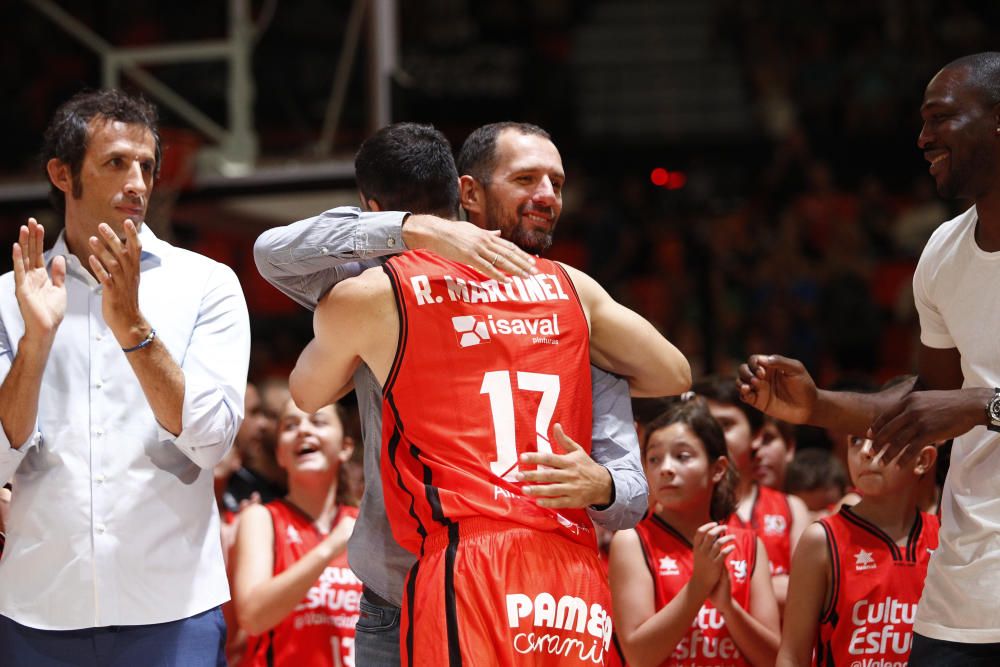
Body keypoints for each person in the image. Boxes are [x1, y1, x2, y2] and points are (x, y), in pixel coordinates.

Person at [287, 123, 690, 664]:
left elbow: (305, 391)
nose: (547, 194)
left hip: (467, 556)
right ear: (468, 193)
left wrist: (605, 483)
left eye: (557, 182)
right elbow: (675, 373)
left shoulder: (381, 292)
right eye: (526, 178)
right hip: (552, 564)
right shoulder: (574, 290)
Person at [739, 52, 1000, 665]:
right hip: (964, 595)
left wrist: (984, 403)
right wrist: (820, 405)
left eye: (941, 118)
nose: (923, 137)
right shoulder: (942, 252)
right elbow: (926, 405)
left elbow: (964, 402)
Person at [0, 89, 250, 665]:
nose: (138, 183)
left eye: (146, 166)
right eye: (116, 163)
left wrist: (133, 325)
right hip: (37, 610)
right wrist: (35, 345)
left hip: (174, 610)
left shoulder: (208, 286)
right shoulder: (9, 302)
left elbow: (210, 442)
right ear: (62, 174)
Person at [609, 397, 780, 667]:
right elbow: (638, 657)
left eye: (682, 456)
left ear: (718, 469)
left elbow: (775, 660)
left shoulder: (747, 543)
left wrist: (727, 607)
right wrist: (699, 587)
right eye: (654, 458)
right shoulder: (632, 540)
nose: (665, 468)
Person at [777, 436, 940, 666]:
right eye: (855, 440)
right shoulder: (821, 540)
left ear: (923, 459)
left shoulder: (946, 538)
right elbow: (792, 656)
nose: (865, 451)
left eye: (883, 438)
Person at [233, 399, 361, 667]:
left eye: (318, 422)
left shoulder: (366, 524)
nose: (303, 430)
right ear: (280, 453)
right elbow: (252, 616)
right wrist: (328, 549)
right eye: (290, 426)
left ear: (346, 447)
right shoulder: (261, 518)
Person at [693, 376, 810, 611]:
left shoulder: (792, 508)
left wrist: (723, 587)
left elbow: (808, 595)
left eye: (725, 425)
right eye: (705, 427)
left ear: (757, 435)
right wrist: (772, 586)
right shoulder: (684, 508)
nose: (713, 437)